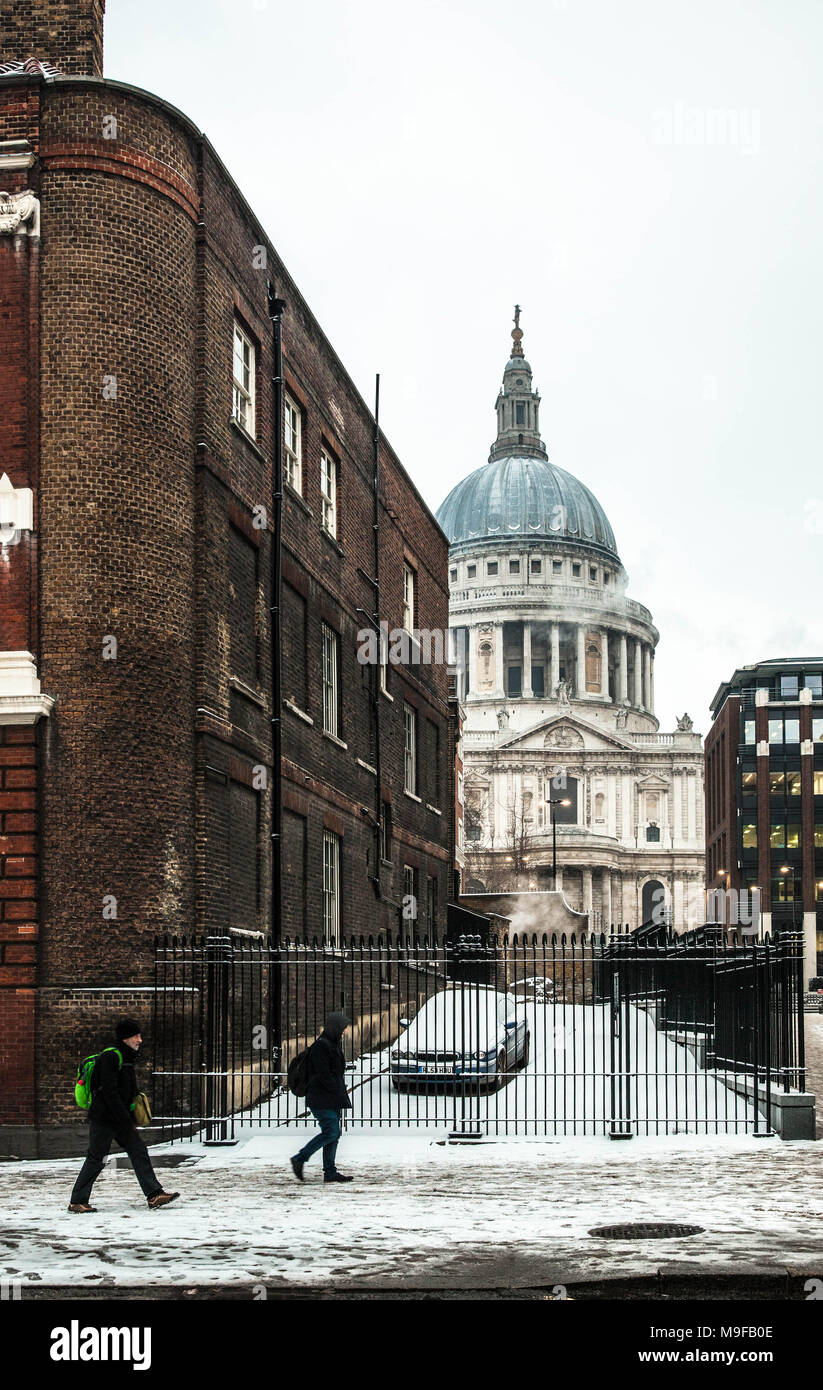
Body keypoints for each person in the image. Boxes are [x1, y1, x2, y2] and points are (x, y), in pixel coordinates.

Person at [68, 1017, 180, 1213]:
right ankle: (77, 1201)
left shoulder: (126, 1057)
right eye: (136, 1036)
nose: (140, 1040)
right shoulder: (111, 1057)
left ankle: (154, 1194)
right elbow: (109, 1092)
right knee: (97, 1158)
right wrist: (125, 1118)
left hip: (120, 1119)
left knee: (138, 1151)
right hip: (105, 1118)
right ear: (126, 1038)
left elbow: (125, 1090)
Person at [290, 1011, 353, 1183]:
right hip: (320, 1098)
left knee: (333, 1133)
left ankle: (330, 1172)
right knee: (331, 1132)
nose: (344, 1031)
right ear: (335, 1028)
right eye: (343, 1028)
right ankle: (300, 1158)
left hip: (330, 1097)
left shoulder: (332, 1044)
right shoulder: (321, 1046)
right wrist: (336, 1089)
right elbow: (323, 1074)